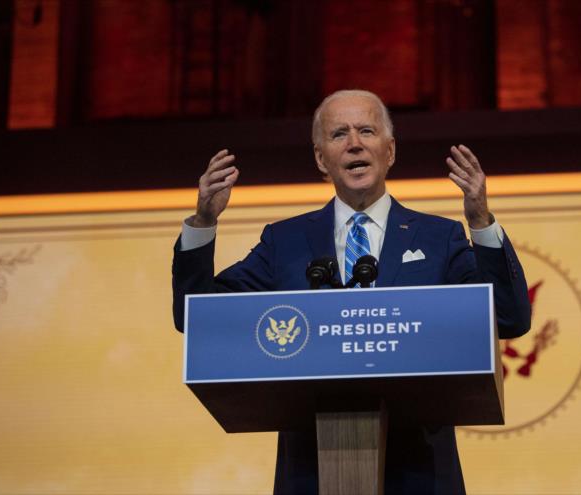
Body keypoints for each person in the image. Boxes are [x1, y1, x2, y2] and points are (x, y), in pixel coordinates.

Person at [172, 89, 531, 494]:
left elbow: (509, 317)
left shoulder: (438, 238)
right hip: (312, 473)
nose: (355, 143)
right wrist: (203, 224)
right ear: (321, 158)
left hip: (420, 474)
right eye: (339, 134)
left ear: (390, 150)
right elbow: (196, 317)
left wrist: (480, 222)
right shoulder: (285, 242)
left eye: (367, 131)